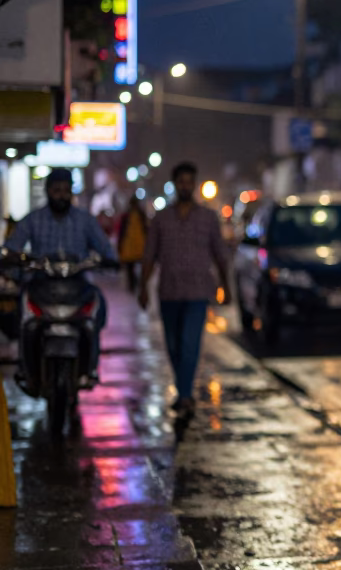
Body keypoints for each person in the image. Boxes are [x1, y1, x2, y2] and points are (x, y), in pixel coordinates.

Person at [4, 168, 117, 381]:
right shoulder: (33, 219)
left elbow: (106, 249)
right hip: (40, 283)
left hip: (78, 284)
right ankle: (25, 368)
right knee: (23, 315)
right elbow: (12, 247)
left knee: (97, 309)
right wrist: (12, 259)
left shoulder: (85, 220)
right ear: (48, 191)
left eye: (66, 190)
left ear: (72, 192)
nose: (61, 195)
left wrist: (108, 260)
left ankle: (90, 368)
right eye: (57, 190)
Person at [138, 162, 232, 415]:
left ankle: (185, 394)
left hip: (198, 292)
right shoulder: (161, 219)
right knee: (173, 345)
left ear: (194, 185)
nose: (185, 187)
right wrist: (142, 287)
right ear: (175, 184)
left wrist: (226, 286)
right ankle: (183, 390)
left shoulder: (208, 218)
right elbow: (149, 256)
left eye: (189, 182)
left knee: (190, 343)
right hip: (168, 291)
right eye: (181, 182)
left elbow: (220, 255)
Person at [117, 195, 148, 294]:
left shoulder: (135, 215)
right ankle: (134, 285)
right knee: (133, 268)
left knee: (133, 268)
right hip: (135, 246)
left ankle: (135, 284)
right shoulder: (134, 215)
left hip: (134, 246)